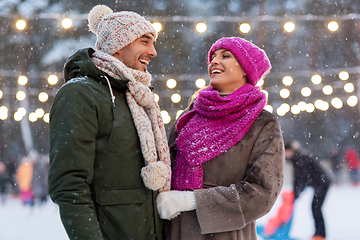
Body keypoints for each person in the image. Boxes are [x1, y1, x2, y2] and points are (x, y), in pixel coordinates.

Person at [48, 5, 171, 240]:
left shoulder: (139, 96)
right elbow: (69, 183)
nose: (153, 51)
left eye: (153, 43)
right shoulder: (80, 94)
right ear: (117, 45)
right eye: (144, 41)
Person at [156, 37, 285, 240]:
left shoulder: (262, 123)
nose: (214, 62)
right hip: (176, 231)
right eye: (212, 57)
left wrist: (193, 201)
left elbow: (262, 193)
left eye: (225, 56)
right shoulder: (189, 116)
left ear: (245, 69)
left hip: (226, 234)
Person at [285, 140, 331, 240]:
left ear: (290, 150)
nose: (285, 154)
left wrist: (296, 193)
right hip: (318, 183)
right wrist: (295, 193)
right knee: (315, 207)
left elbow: (302, 178)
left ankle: (321, 234)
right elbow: (297, 178)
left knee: (316, 207)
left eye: (286, 151)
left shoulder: (301, 158)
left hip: (322, 183)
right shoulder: (297, 157)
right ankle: (319, 233)